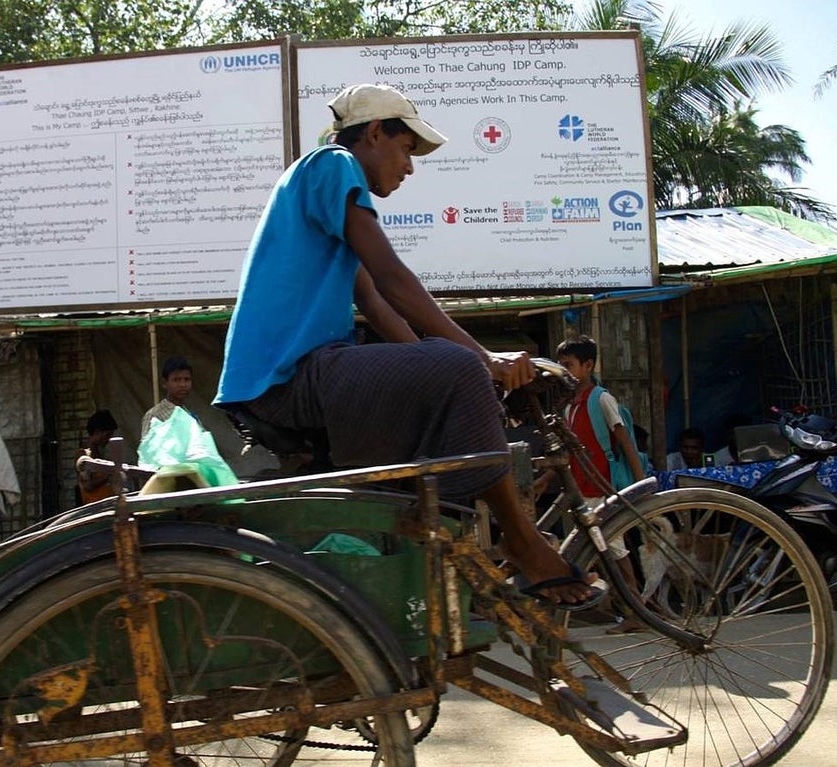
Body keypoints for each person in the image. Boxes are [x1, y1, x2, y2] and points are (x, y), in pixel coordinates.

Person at [212, 82, 602, 610]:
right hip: (287, 378)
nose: (410, 166)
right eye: (406, 149)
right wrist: (480, 361)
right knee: (458, 367)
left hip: (294, 376)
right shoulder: (334, 165)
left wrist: (443, 364)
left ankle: (462, 545)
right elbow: (393, 278)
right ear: (374, 133)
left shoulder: (318, 187)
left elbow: (375, 303)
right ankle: (523, 542)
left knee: (449, 369)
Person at [553, 336, 647, 633]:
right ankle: (623, 609)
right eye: (561, 365)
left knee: (616, 555)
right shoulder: (570, 406)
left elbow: (624, 440)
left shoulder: (600, 399)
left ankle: (637, 612)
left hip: (603, 487)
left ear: (588, 365)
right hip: (582, 489)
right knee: (601, 554)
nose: (564, 370)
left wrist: (641, 483)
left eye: (568, 365)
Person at [140, 356, 197, 438]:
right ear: (164, 383)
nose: (183, 385)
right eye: (176, 380)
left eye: (186, 379)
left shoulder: (190, 415)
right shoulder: (154, 416)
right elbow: (147, 448)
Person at [77, 409, 120, 504]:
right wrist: (109, 475)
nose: (108, 439)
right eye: (107, 435)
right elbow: (87, 486)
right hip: (94, 511)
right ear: (97, 432)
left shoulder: (100, 455)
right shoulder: (83, 456)